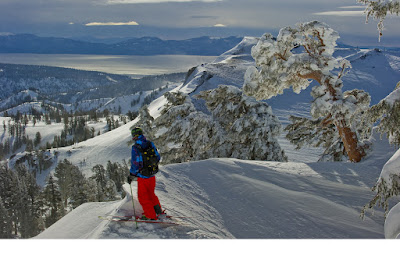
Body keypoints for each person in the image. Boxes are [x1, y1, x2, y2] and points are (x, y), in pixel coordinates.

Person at [127, 127, 163, 220]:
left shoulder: (135, 147)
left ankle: (150, 215)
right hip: (152, 174)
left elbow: (135, 163)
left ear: (134, 136)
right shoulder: (150, 143)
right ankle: (158, 211)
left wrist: (132, 175)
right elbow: (158, 157)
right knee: (151, 194)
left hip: (143, 177)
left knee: (143, 197)